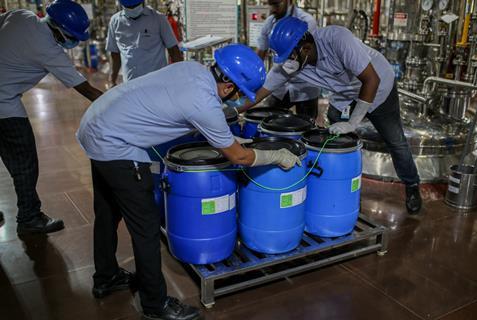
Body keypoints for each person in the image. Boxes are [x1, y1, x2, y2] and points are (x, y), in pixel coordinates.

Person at [76, 44, 300, 320]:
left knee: (108, 211)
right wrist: (276, 155)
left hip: (96, 124)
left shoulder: (193, 69)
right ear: (229, 86)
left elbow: (185, 111)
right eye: (240, 93)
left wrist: (224, 139)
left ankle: (106, 277)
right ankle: (155, 304)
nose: (238, 99)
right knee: (145, 228)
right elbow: (240, 158)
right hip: (115, 145)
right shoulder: (204, 103)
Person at [241, 17, 422, 214]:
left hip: (378, 89)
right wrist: (229, 111)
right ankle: (347, 193)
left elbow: (371, 79)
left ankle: (412, 185)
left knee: (395, 141)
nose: (287, 62)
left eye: (290, 56)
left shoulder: (337, 38)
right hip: (344, 96)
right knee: (340, 143)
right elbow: (258, 94)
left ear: (306, 48)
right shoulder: (291, 64)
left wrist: (353, 122)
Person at [0, 0, 103, 235]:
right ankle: (29, 218)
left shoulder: (20, 16)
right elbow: (86, 90)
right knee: (25, 163)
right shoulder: (48, 49)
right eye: (73, 36)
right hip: (4, 103)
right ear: (59, 29)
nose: (73, 41)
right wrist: (119, 104)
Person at [257, 0, 321, 120]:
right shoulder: (270, 22)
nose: (272, 9)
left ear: (289, 1)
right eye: (270, 4)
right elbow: (260, 52)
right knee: (268, 121)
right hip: (280, 86)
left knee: (306, 125)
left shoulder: (306, 21)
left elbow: (301, 57)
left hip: (305, 86)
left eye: (276, 4)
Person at [106, 0, 184, 86]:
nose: (132, 9)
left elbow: (174, 51)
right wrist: (112, 80)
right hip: (131, 85)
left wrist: (181, 78)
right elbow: (115, 54)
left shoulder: (158, 19)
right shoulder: (115, 22)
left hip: (158, 84)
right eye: (129, 7)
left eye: (135, 6)